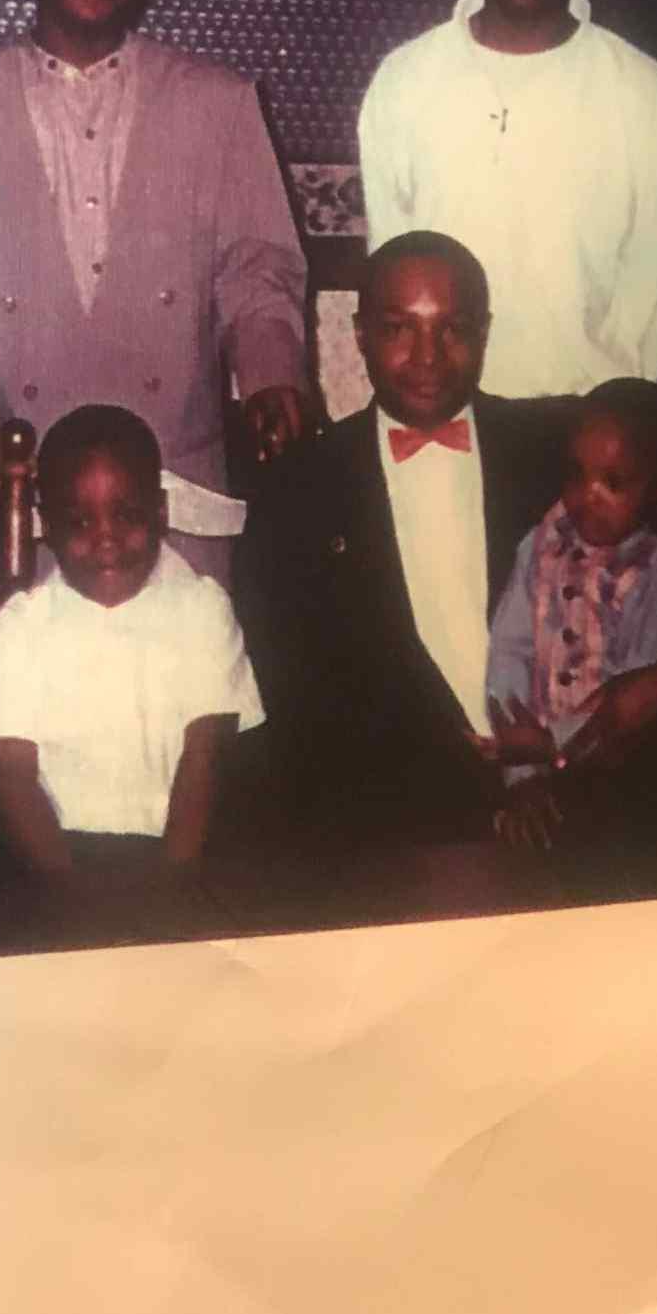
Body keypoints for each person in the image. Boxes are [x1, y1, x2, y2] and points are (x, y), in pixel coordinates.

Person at [0, 0, 309, 634]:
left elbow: (258, 269)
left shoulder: (218, 101)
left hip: (172, 494)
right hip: (17, 492)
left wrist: (271, 375)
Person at [234, 232, 568, 850]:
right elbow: (294, 698)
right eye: (398, 329)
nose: (427, 357)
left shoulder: (554, 450)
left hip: (567, 796)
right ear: (360, 335)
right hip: (396, 823)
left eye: (452, 328)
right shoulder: (299, 489)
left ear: (484, 332)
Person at [357, 0, 657, 399]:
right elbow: (391, 267)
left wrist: (614, 410)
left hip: (582, 418)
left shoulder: (642, 94)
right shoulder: (406, 80)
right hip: (440, 411)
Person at [0, 404, 263, 881]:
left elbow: (205, 757)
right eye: (80, 522)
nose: (106, 540)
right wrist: (72, 898)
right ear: (47, 525)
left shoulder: (201, 610)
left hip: (183, 855)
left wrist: (169, 894)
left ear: (161, 510)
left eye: (127, 515)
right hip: (52, 863)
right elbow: (12, 779)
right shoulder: (19, 628)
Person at [479, 378, 657, 848]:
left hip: (624, 765)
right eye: (575, 474)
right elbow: (509, 647)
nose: (588, 496)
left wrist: (549, 745)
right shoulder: (539, 545)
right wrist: (520, 761)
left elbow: (629, 706)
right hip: (535, 753)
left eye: (613, 483)